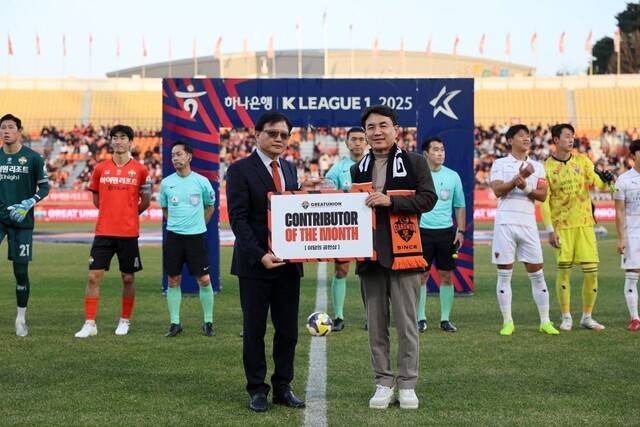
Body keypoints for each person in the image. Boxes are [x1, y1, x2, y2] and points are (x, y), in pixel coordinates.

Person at [352, 105, 437, 410]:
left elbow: (428, 199)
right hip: (369, 255)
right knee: (375, 326)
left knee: (407, 324)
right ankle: (383, 382)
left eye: (383, 125)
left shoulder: (414, 162)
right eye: (371, 127)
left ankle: (408, 384)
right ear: (365, 133)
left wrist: (391, 201)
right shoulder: (358, 168)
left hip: (405, 253)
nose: (377, 132)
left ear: (395, 130)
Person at [226, 111, 305, 412]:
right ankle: (257, 389)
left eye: (284, 135)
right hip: (255, 265)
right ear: (257, 134)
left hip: (288, 265)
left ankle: (283, 386)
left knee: (288, 331)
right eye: (272, 133)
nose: (279, 139)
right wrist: (260, 255)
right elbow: (238, 219)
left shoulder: (290, 168)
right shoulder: (239, 170)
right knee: (255, 330)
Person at [74, 125, 151, 338]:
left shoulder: (141, 170)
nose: (118, 141)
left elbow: (145, 201)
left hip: (128, 233)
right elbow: (97, 199)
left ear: (130, 142)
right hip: (104, 232)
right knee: (93, 277)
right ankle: (90, 323)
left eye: (123, 137)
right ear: (111, 141)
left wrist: (128, 214)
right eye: (115, 137)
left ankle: (124, 320)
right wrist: (111, 213)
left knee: (128, 278)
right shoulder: (100, 168)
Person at [541, 123, 613, 331]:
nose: (571, 139)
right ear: (556, 140)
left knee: (591, 273)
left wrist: (607, 181)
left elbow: (599, 184)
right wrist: (550, 230)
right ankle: (566, 317)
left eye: (572, 136)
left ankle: (587, 317)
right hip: (562, 227)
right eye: (566, 136)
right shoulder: (546, 167)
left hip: (585, 225)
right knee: (564, 272)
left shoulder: (583, 161)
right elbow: (544, 201)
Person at [489, 125, 558, 336]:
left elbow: (542, 195)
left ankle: (545, 321)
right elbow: (497, 190)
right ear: (510, 140)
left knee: (537, 273)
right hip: (505, 223)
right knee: (504, 274)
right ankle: (507, 322)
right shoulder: (500, 163)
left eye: (528, 136)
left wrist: (525, 186)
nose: (526, 139)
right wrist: (516, 179)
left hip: (528, 224)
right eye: (521, 136)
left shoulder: (537, 166)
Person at [0, 114, 49, 337]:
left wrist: (30, 202)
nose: (6, 131)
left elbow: (44, 188)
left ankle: (20, 318)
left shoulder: (33, 158)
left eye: (11, 127)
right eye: (3, 128)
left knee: (20, 271)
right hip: (0, 218)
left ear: (19, 131)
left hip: (23, 222)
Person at [159, 141, 215, 337]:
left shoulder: (202, 182)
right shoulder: (166, 183)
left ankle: (208, 322)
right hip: (174, 238)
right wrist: (177, 224)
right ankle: (175, 323)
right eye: (172, 155)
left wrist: (198, 225)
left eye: (179, 154)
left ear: (189, 156)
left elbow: (210, 207)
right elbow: (165, 208)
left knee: (204, 279)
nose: (175, 158)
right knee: (173, 279)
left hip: (196, 238)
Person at [417, 137, 465, 333]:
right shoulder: (418, 176)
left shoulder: (453, 176)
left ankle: (445, 319)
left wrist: (460, 230)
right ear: (426, 154)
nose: (440, 153)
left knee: (446, 275)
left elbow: (459, 205)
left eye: (442, 150)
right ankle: (420, 318)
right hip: (422, 231)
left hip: (446, 233)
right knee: (421, 276)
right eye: (436, 150)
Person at [323, 126, 367, 332]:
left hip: (370, 229)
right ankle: (339, 316)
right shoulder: (338, 167)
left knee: (369, 274)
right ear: (347, 142)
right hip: (346, 228)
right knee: (341, 270)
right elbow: (327, 187)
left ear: (366, 142)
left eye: (361, 139)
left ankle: (372, 316)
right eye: (354, 139)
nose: (357, 142)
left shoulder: (374, 164)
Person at [613, 139, 640, 332]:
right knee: (633, 274)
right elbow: (619, 211)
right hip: (633, 231)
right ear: (632, 156)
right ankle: (635, 318)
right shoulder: (623, 180)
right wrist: (621, 238)